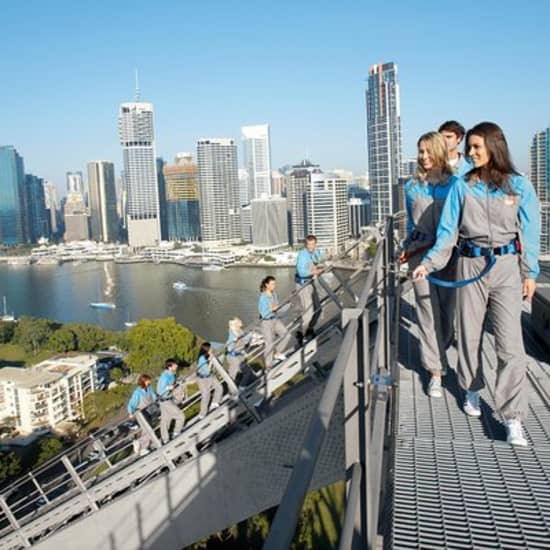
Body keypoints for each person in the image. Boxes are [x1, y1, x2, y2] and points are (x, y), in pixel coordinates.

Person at [413, 122, 540, 447]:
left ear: (495, 147)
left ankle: (512, 417)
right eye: (469, 148)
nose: (470, 153)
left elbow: (529, 232)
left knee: (510, 343)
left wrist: (530, 273)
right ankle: (471, 386)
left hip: (507, 268)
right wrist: (428, 264)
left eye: (476, 148)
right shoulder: (462, 187)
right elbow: (447, 232)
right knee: (469, 333)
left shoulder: (518, 186)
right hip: (469, 262)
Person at [402, 132, 456, 398]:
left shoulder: (454, 184)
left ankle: (442, 347)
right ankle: (435, 371)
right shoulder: (412, 187)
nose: (423, 156)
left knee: (447, 312)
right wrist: (407, 245)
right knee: (427, 311)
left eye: (427, 151)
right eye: (419, 151)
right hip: (419, 255)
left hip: (450, 256)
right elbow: (411, 224)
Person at [258, 275, 292, 369]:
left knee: (287, 335)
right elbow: (263, 313)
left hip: (275, 319)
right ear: (266, 285)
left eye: (275, 284)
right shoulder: (263, 297)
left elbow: (278, 310)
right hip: (266, 322)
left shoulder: (275, 295)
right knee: (269, 344)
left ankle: (278, 352)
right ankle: (268, 365)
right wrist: (272, 309)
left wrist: (287, 305)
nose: (274, 286)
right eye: (272, 284)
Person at [295, 235, 324, 342]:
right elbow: (301, 272)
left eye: (313, 244)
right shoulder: (303, 255)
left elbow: (319, 259)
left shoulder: (314, 252)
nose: (311, 246)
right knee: (308, 311)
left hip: (311, 283)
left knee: (318, 309)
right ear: (306, 245)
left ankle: (309, 328)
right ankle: (301, 334)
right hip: (303, 285)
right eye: (309, 244)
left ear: (315, 244)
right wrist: (315, 272)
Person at [156, 359, 186, 444]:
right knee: (181, 416)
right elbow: (159, 390)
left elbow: (173, 383)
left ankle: (165, 440)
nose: (176, 366)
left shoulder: (172, 374)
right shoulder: (164, 376)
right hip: (165, 401)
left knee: (166, 421)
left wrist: (178, 382)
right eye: (175, 365)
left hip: (167, 399)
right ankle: (176, 433)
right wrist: (168, 388)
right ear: (170, 367)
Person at [127, 374, 157, 456]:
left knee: (146, 429)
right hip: (141, 413)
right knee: (148, 429)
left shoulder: (149, 388)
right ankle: (142, 445)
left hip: (150, 410)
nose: (150, 381)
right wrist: (130, 412)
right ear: (144, 381)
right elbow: (132, 403)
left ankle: (143, 445)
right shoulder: (138, 392)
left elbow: (154, 397)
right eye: (148, 380)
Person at [226, 318, 257, 389]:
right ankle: (237, 389)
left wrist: (251, 335)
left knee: (247, 371)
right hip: (233, 357)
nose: (241, 321)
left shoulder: (240, 331)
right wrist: (234, 341)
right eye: (239, 321)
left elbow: (245, 340)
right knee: (233, 375)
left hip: (239, 355)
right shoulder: (232, 334)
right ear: (236, 324)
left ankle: (245, 385)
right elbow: (229, 347)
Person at [197, 342, 223, 419]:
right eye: (210, 348)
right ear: (207, 349)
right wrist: (211, 360)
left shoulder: (209, 356)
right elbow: (207, 370)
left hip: (210, 376)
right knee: (206, 395)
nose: (212, 349)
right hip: (202, 379)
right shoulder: (201, 358)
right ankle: (202, 414)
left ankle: (214, 403)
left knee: (219, 387)